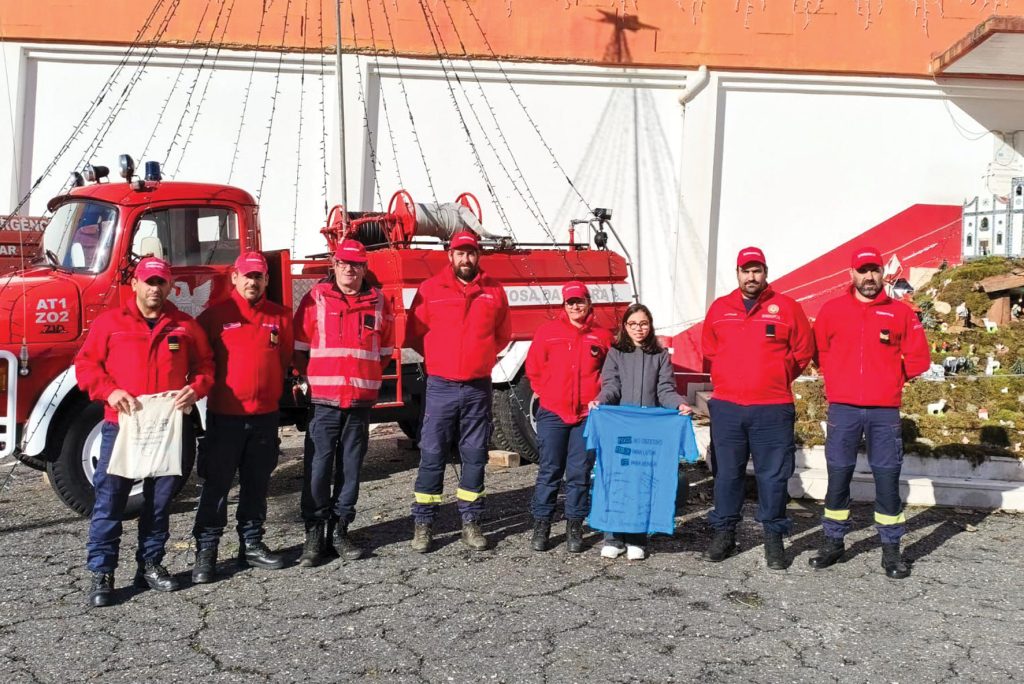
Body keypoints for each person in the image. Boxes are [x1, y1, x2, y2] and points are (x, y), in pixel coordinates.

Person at [76, 256, 214, 607]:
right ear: (135, 284)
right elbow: (86, 365)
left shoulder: (184, 326)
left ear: (169, 286)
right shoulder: (110, 323)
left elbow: (206, 366)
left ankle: (150, 564)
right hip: (121, 427)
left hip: (167, 428)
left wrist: (196, 388)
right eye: (148, 282)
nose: (155, 289)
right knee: (110, 501)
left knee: (159, 501)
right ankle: (102, 573)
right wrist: (109, 391)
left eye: (161, 283)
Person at [809, 246, 931, 579]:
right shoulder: (832, 311)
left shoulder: (901, 313)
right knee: (838, 476)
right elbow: (818, 352)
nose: (869, 277)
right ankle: (833, 542)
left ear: (883, 273)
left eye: (875, 270)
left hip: (884, 412)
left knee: (888, 480)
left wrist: (891, 379)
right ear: (852, 273)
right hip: (843, 409)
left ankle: (892, 552)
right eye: (863, 271)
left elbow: (919, 358)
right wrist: (838, 377)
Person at [701, 246, 814, 571]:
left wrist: (776, 376)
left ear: (766, 272)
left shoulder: (788, 308)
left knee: (774, 477)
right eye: (746, 270)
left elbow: (803, 351)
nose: (752, 276)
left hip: (773, 408)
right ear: (737, 273)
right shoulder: (720, 308)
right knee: (726, 474)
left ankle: (774, 539)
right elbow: (711, 349)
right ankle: (724, 533)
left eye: (757, 270)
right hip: (728, 408)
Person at [190, 252, 294, 583]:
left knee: (257, 484)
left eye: (258, 276)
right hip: (225, 418)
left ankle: (251, 543)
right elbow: (199, 363)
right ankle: (206, 551)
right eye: (246, 275)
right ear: (234, 277)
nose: (252, 281)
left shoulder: (281, 318)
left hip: (264, 418)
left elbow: (285, 359)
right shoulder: (213, 317)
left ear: (266, 280)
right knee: (217, 486)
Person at [405, 230, 511, 553]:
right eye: (460, 253)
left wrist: (480, 359)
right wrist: (443, 358)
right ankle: (424, 524)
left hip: (478, 387)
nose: (466, 259)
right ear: (449, 256)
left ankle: (471, 522)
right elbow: (414, 334)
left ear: (478, 255)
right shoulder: (430, 289)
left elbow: (503, 335)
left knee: (475, 454)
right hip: (441, 386)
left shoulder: (493, 291)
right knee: (433, 453)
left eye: (471, 253)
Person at [291, 239, 395, 567]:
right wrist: (306, 378)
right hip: (324, 401)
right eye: (344, 263)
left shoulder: (378, 302)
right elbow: (299, 346)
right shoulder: (316, 299)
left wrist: (365, 381)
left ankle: (340, 530)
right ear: (334, 265)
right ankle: (314, 533)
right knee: (318, 468)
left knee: (350, 469)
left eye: (357, 264)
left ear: (365, 267)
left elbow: (385, 351)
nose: (350, 269)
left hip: (359, 402)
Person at [590, 303, 691, 560]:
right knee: (618, 480)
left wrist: (678, 403)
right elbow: (611, 385)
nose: (639, 329)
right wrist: (602, 401)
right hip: (621, 429)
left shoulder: (660, 355)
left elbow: (665, 389)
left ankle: (637, 538)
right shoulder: (615, 353)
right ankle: (613, 536)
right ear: (625, 326)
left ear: (650, 325)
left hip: (648, 432)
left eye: (643, 324)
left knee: (642, 481)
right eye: (633, 324)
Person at [524, 281, 614, 553]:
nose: (575, 306)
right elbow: (534, 367)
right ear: (564, 305)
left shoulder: (602, 335)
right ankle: (542, 526)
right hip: (553, 413)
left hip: (586, 416)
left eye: (580, 301)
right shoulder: (548, 332)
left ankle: (574, 526)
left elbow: (610, 373)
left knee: (579, 473)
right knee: (549, 471)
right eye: (570, 302)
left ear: (589, 303)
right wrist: (545, 392)